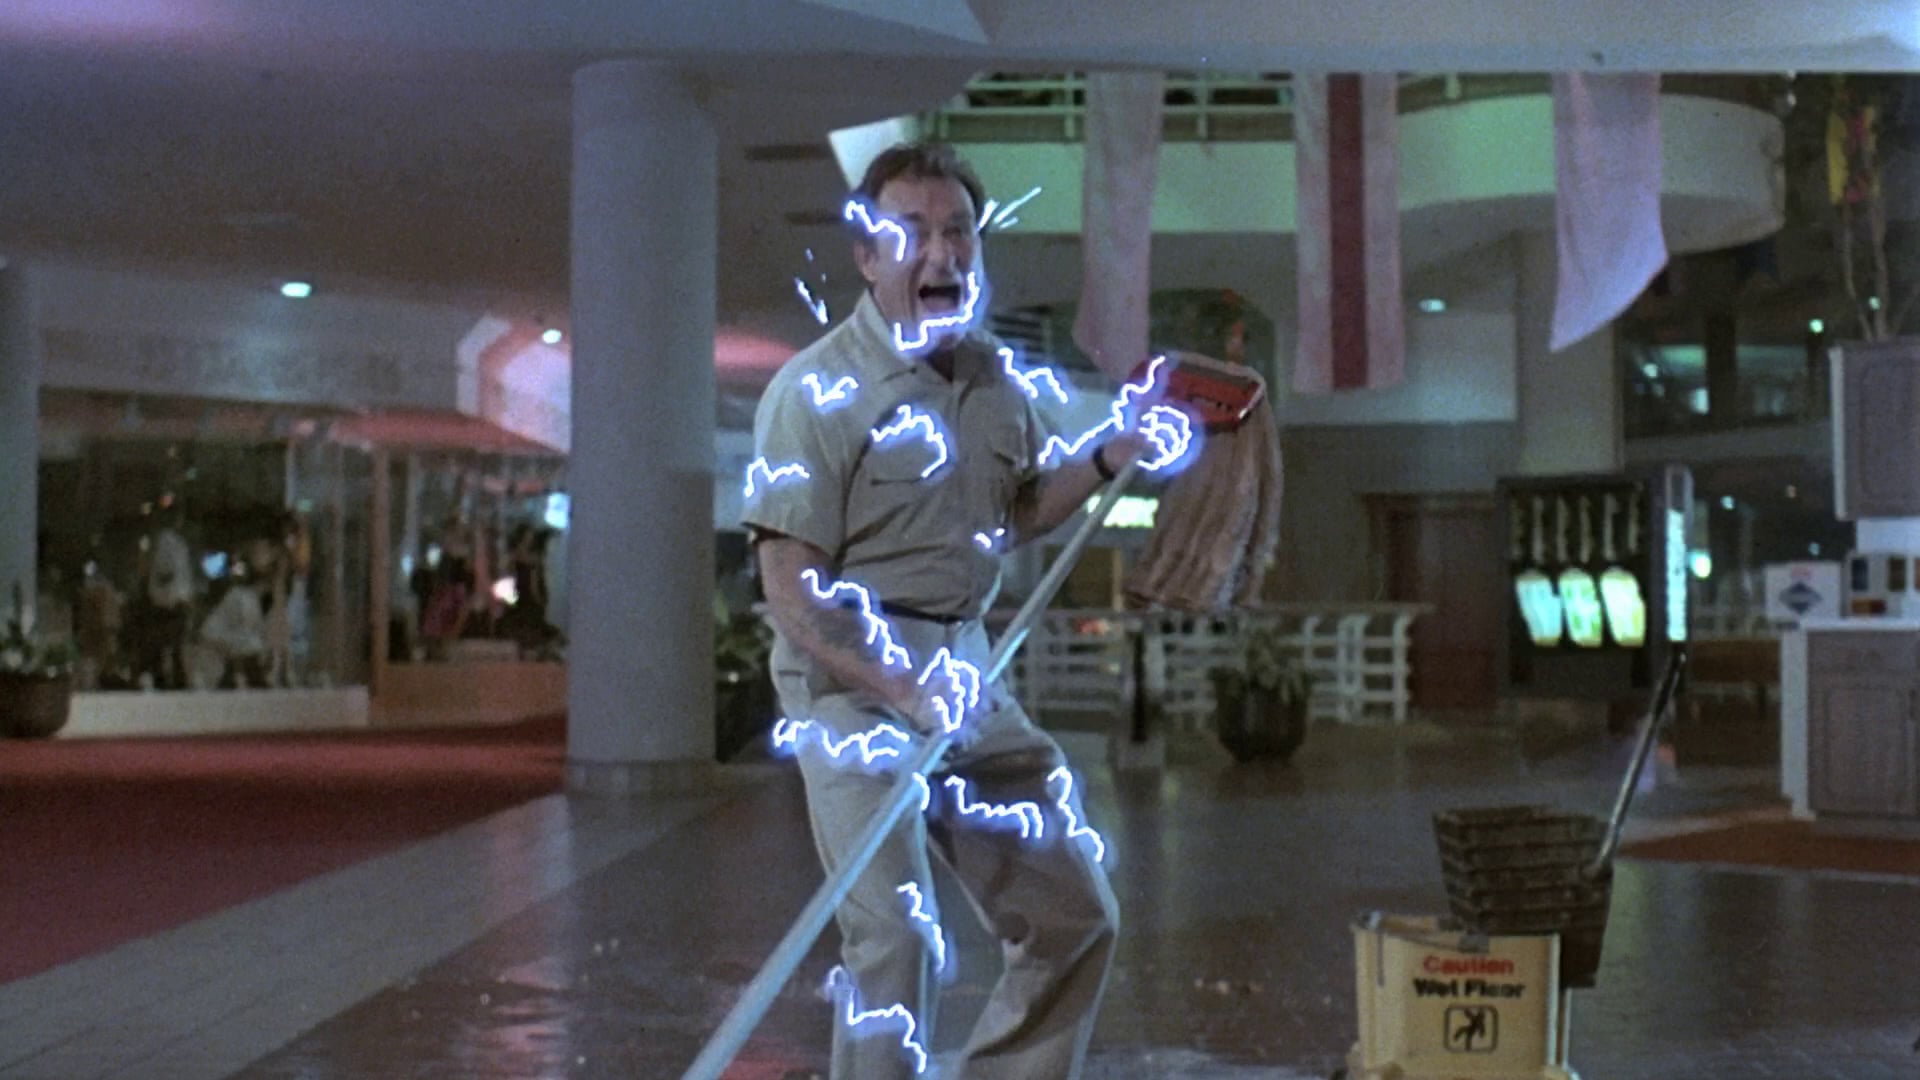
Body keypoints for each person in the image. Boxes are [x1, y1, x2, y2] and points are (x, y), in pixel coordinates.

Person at [742, 141, 1163, 1080]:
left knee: (1074, 917)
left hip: (967, 674)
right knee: (896, 939)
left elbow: (1015, 515)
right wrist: (899, 685)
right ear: (867, 254)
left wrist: (1107, 455)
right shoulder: (813, 393)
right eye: (912, 233)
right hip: (852, 687)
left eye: (960, 231)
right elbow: (791, 590)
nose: (942, 253)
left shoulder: (995, 382)